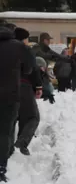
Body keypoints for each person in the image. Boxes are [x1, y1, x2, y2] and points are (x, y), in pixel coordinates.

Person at [0, 21, 35, 182]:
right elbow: (29, 68)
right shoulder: (19, 46)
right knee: (5, 131)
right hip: (10, 95)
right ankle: (1, 168)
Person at [13, 27, 43, 156]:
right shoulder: (24, 50)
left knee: (10, 117)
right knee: (32, 116)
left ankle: (8, 149)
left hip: (5, 87)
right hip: (23, 85)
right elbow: (32, 68)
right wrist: (38, 86)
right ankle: (21, 143)